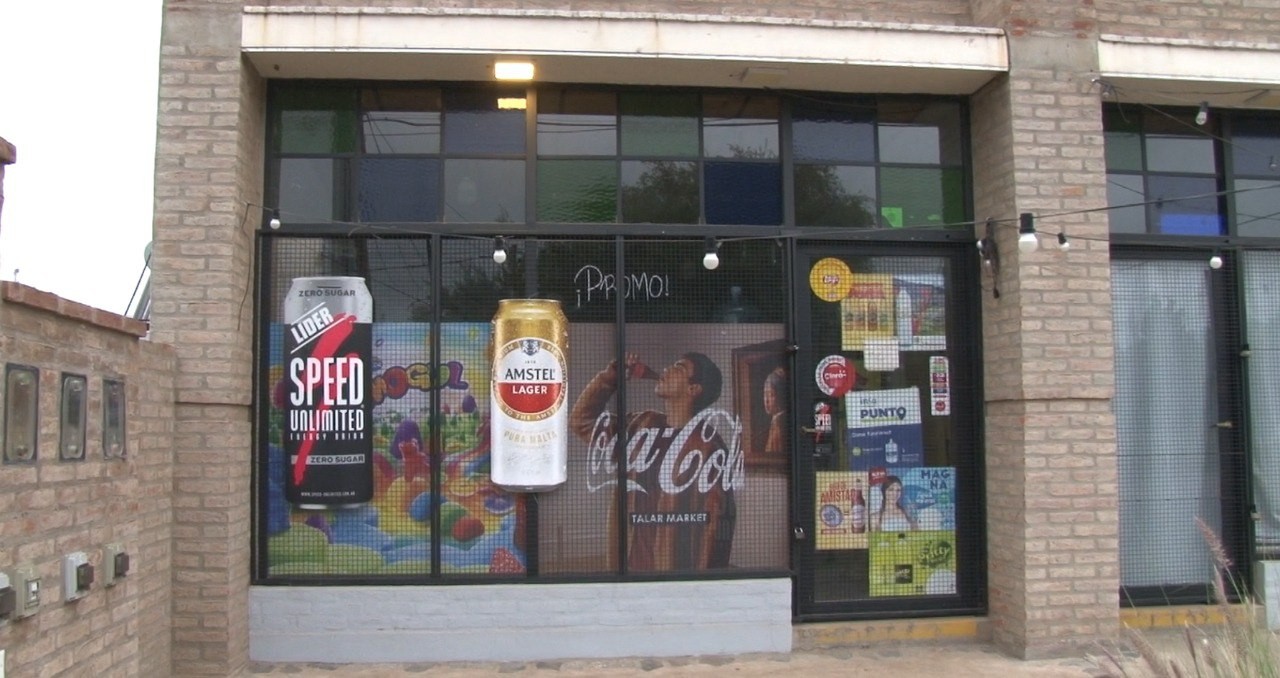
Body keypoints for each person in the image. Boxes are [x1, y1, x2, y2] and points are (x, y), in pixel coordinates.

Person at [570, 351, 741, 571]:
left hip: (675, 575)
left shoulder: (707, 445)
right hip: (627, 569)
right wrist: (609, 379)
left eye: (679, 368)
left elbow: (716, 523)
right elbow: (581, 421)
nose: (666, 370)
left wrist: (704, 580)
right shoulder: (641, 425)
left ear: (693, 389)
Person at [762, 367, 786, 457]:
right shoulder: (775, 422)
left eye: (771, 395)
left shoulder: (779, 425)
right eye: (765, 394)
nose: (766, 400)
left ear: (780, 395)